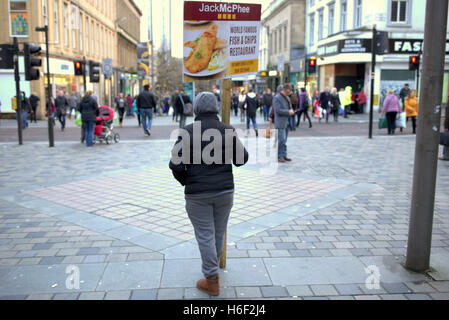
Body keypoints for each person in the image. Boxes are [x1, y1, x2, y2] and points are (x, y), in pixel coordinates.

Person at [169, 92, 249, 296]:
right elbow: (242, 160)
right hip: (224, 191)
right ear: (216, 108)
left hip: (198, 194)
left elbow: (175, 165)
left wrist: (187, 181)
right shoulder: (227, 130)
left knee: (205, 234)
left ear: (195, 109)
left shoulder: (187, 132)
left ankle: (212, 280)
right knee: (218, 231)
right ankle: (213, 271)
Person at [273, 84, 295, 163]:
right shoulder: (277, 98)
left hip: (286, 121)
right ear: (284, 90)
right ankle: (279, 156)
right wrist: (288, 112)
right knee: (281, 139)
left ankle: (284, 155)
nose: (288, 94)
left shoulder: (287, 97)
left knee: (284, 140)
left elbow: (289, 107)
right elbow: (277, 110)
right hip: (280, 122)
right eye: (287, 92)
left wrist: (291, 110)